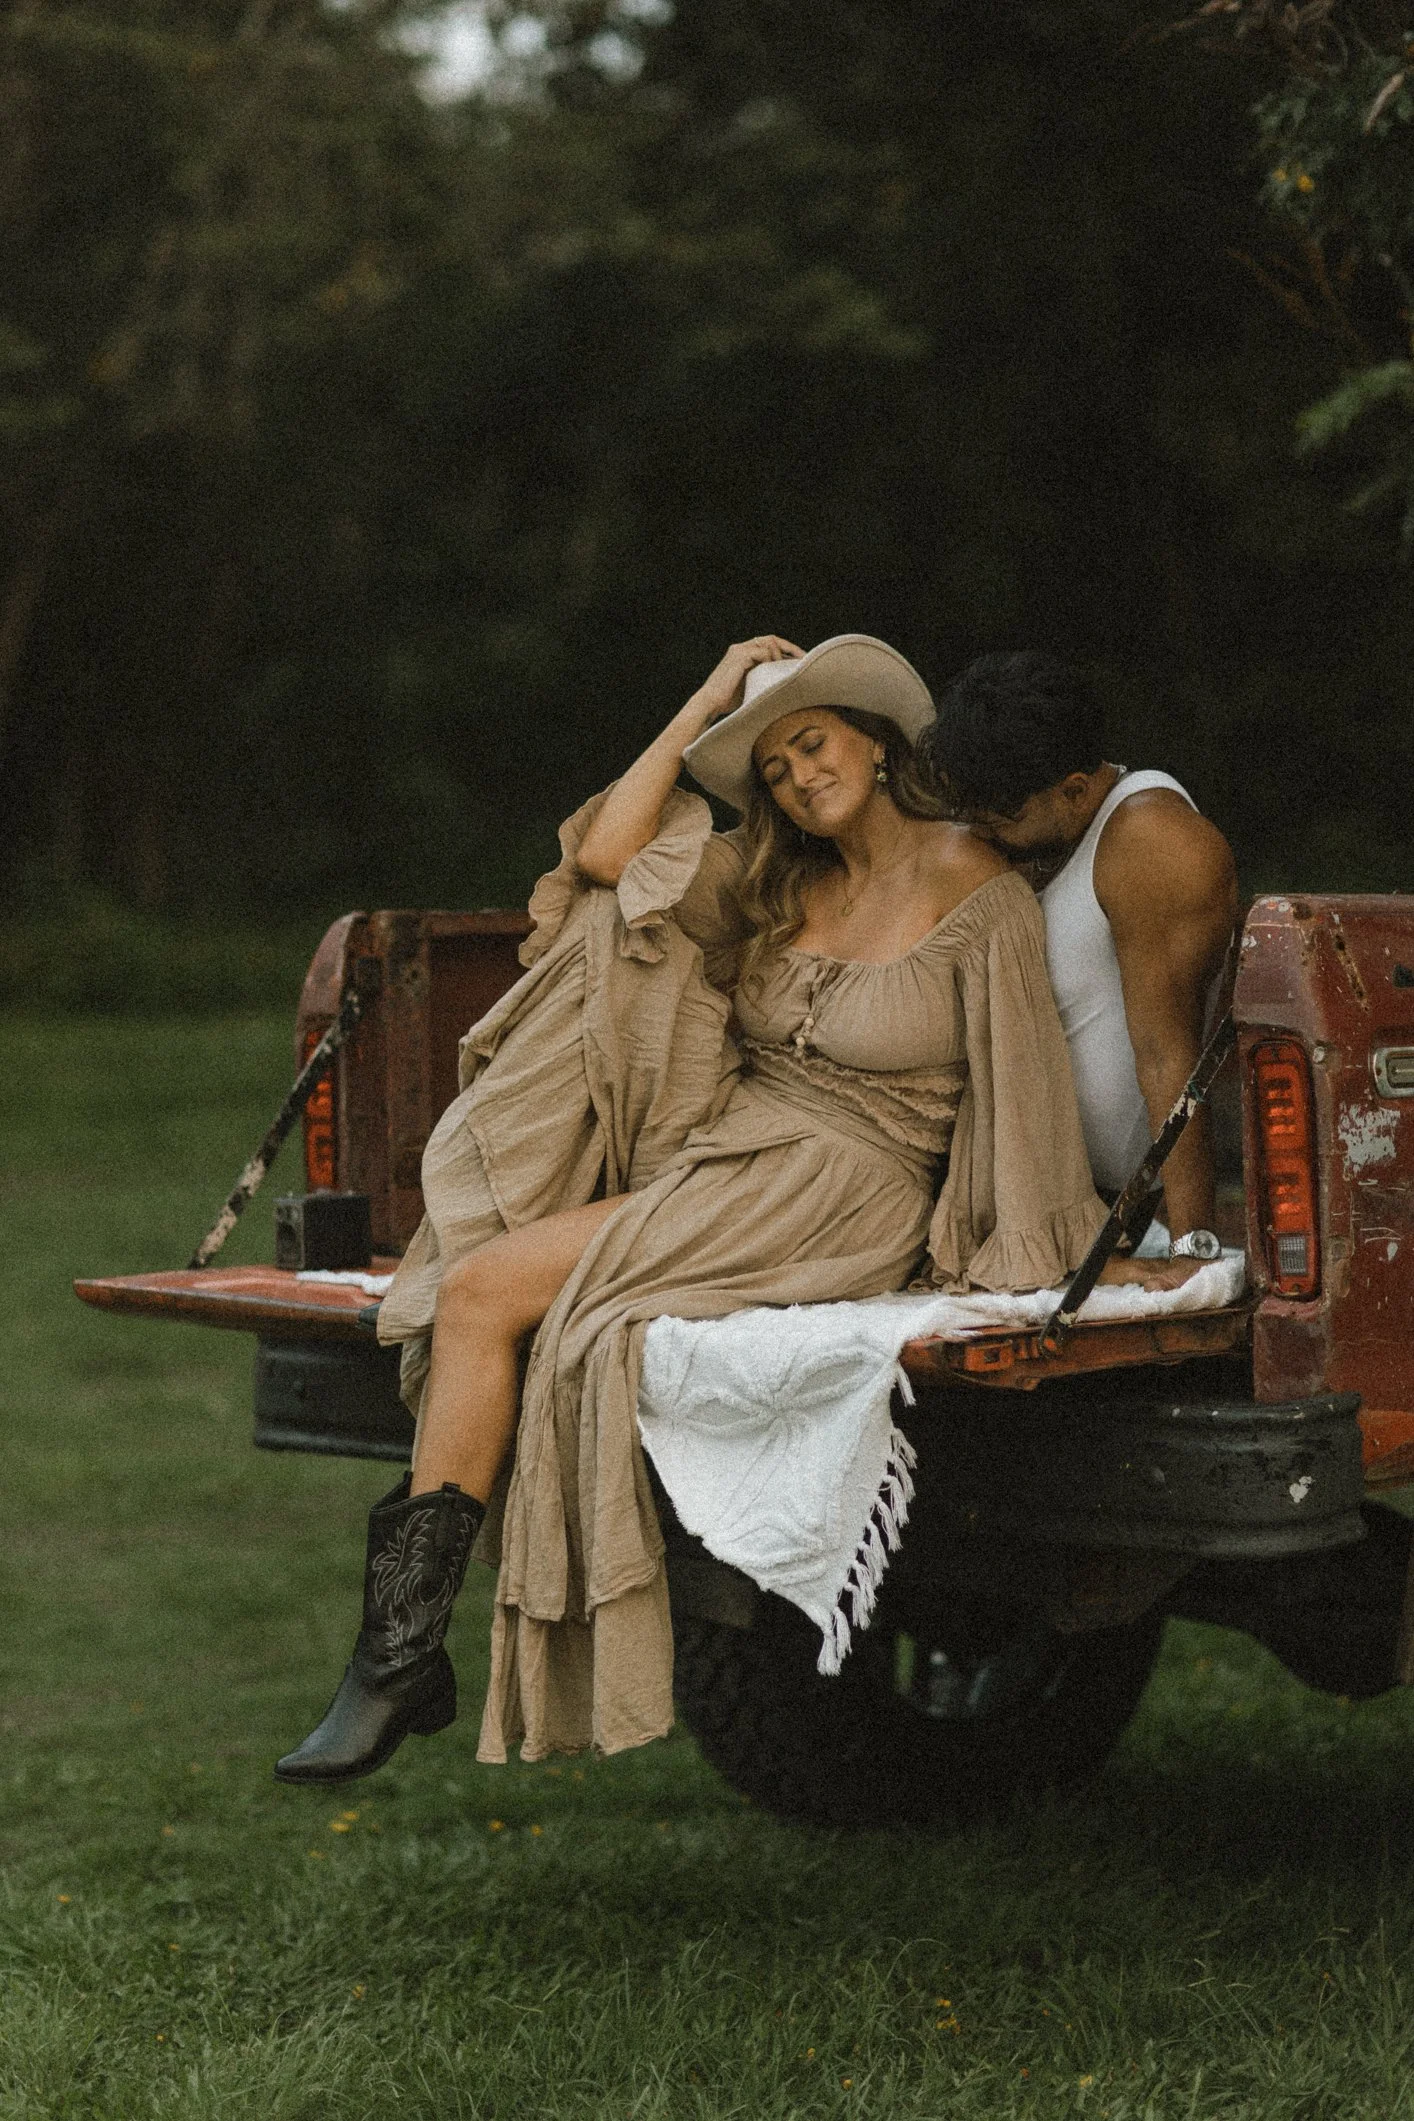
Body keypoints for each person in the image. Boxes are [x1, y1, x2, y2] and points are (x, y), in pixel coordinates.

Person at [274, 632, 1172, 1790]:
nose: (799, 776)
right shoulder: (775, 877)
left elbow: (1022, 1082)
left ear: (876, 737)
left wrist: (1056, 1245)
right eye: (775, 769)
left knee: (488, 1290)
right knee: (493, 1278)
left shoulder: (973, 882)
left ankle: (398, 1658)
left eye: (813, 741)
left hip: (846, 1187)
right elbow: (607, 859)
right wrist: (707, 696)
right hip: (729, 1156)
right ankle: (399, 1653)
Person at [918, 652, 1239, 1267]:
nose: (981, 837)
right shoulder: (1055, 832)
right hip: (1019, 1199)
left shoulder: (1150, 839)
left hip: (1113, 1213)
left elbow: (1171, 1054)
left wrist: (1192, 1246)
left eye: (999, 822)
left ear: (1073, 789)